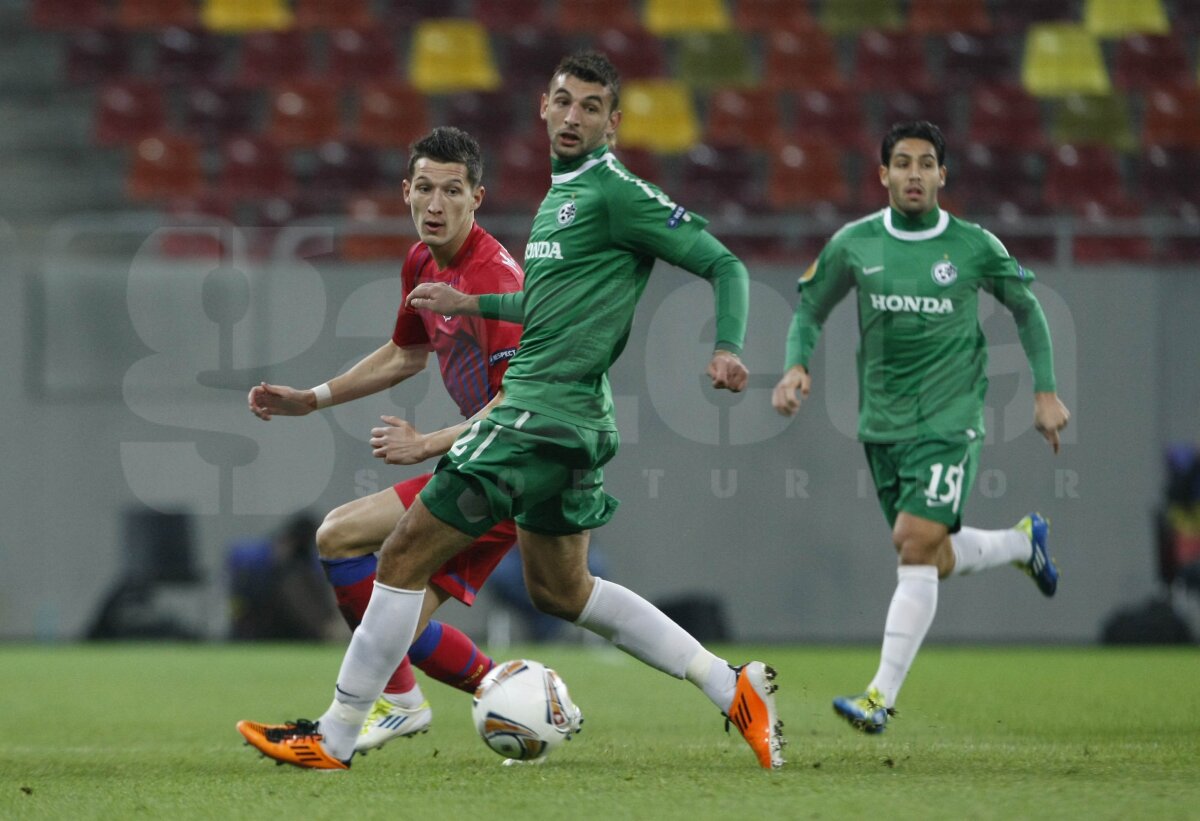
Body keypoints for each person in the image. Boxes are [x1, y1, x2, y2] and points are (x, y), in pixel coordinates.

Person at [237, 51, 785, 771]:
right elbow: (544, 307)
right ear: (543, 108)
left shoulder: (616, 192)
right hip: (567, 422)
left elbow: (725, 263)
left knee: (398, 555)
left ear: (614, 124)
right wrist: (470, 306)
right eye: (564, 101)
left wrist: (727, 345)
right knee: (563, 589)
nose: (573, 116)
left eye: (591, 107)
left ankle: (337, 734)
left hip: (534, 413)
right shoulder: (560, 201)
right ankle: (730, 683)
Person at [771, 120, 1071, 734]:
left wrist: (1045, 392)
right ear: (882, 175)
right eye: (902, 163)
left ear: (942, 174)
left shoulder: (972, 245)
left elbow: (1028, 309)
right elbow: (810, 306)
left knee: (912, 542)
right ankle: (1021, 543)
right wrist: (795, 365)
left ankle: (879, 697)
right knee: (928, 555)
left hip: (950, 420)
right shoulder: (855, 243)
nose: (914, 173)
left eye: (925, 163)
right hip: (881, 428)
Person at [244, 126, 525, 753]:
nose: (435, 204)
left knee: (346, 544)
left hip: (509, 463)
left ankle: (381, 714)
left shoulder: (493, 276)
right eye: (424, 188)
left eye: (452, 191)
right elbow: (404, 355)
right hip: (480, 461)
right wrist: (311, 400)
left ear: (477, 197)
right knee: (392, 616)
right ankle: (507, 696)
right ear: (405, 191)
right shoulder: (422, 261)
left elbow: (518, 402)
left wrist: (429, 444)